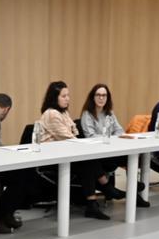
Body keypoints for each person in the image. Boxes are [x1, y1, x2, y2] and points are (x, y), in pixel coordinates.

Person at [37, 81, 120, 220]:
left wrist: (72, 132)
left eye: (68, 95)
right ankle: (105, 189)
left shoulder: (63, 113)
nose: (68, 98)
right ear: (54, 97)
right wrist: (71, 132)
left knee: (88, 160)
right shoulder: (52, 114)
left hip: (64, 153)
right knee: (87, 161)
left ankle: (93, 203)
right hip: (50, 158)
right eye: (64, 96)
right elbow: (69, 135)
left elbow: (74, 130)